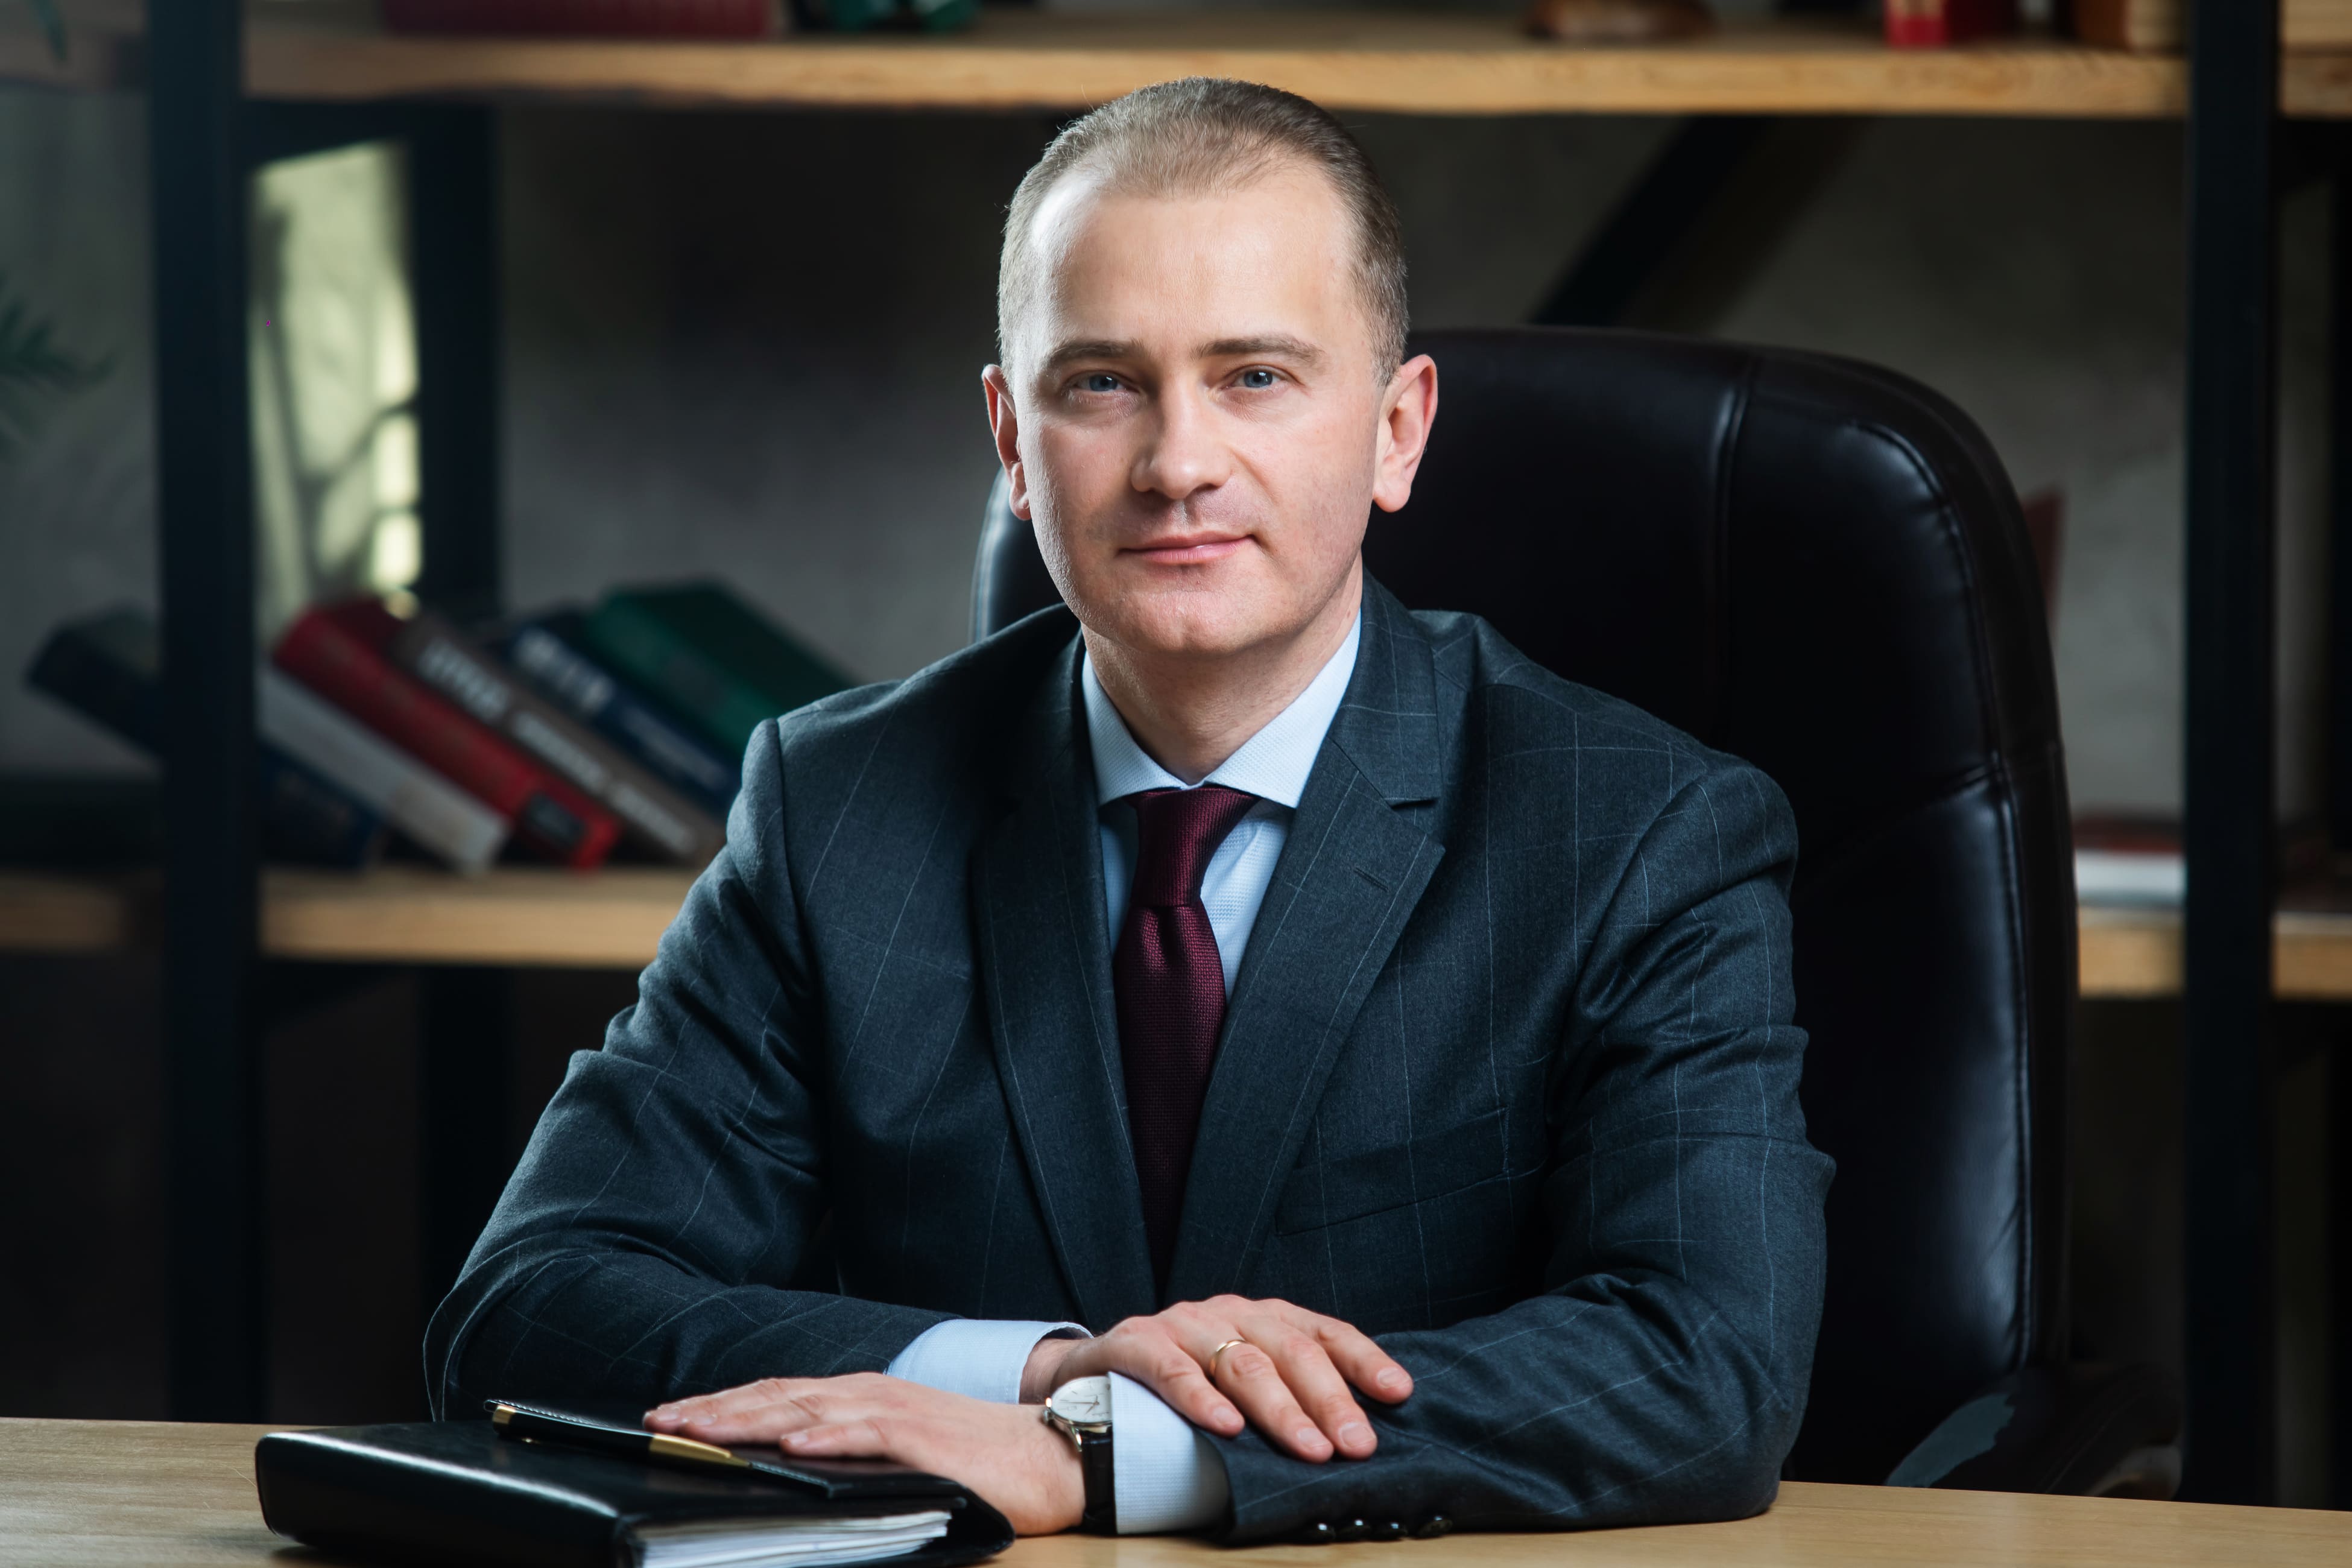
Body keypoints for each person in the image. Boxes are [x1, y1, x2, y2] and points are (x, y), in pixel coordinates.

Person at [426, 77, 1832, 1544]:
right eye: (1102, 383)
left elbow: (1706, 1364)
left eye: (1256, 376)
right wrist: (1037, 1381)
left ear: (1398, 431)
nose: (1178, 465)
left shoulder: (1642, 832)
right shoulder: (836, 811)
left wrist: (1104, 1452)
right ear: (1010, 439)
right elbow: (527, 1308)